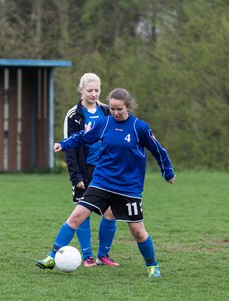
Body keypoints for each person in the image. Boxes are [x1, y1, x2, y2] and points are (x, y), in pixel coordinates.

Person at [40, 88, 176, 278]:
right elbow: (82, 137)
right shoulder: (104, 124)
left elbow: (158, 150)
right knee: (76, 217)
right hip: (102, 181)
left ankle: (152, 265)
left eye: (119, 109)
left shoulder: (140, 127)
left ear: (128, 106)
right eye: (111, 109)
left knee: (138, 232)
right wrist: (63, 144)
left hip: (128, 187)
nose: (115, 113)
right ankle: (51, 257)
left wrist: (167, 172)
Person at [36, 74, 118, 269]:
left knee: (111, 212)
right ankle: (87, 256)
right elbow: (70, 148)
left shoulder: (107, 112)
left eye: (97, 90)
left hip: (106, 170)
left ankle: (103, 255)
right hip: (84, 170)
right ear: (81, 90)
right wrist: (76, 176)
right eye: (89, 90)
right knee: (83, 213)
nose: (93, 94)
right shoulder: (74, 114)